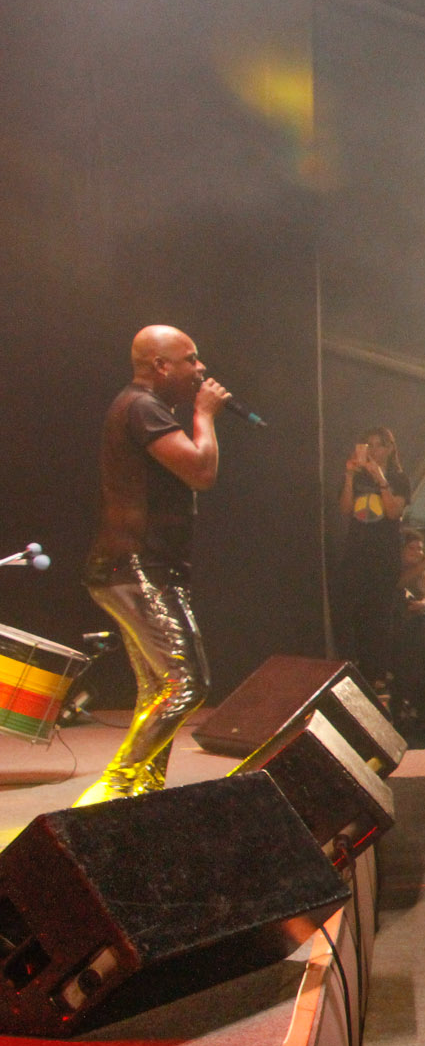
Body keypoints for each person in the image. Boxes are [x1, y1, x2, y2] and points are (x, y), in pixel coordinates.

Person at [76, 325, 229, 805]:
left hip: (139, 566)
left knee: (158, 689)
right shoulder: (142, 407)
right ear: (161, 366)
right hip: (136, 567)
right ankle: (115, 787)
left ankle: (143, 795)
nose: (200, 369)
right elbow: (200, 470)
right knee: (187, 684)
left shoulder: (144, 407)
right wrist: (204, 415)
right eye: (190, 359)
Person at [334, 426, 411, 687]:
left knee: (379, 615)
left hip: (384, 555)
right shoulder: (357, 477)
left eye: (379, 445)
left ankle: (378, 674)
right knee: (353, 613)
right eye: (369, 445)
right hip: (356, 553)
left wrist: (380, 479)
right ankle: (356, 671)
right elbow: (345, 509)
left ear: (390, 449)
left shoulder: (399, 479)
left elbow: (393, 512)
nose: (374, 450)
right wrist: (348, 476)